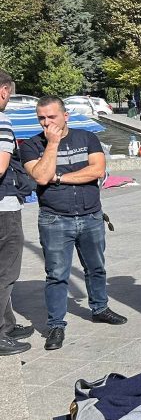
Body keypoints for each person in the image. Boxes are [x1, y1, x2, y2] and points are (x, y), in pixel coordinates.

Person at [22, 96, 128, 351]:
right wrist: (53, 144)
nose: (47, 123)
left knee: (96, 267)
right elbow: (40, 175)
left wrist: (58, 177)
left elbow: (97, 171)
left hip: (91, 215)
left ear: (65, 116)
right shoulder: (31, 146)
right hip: (55, 219)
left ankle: (100, 308)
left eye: (52, 117)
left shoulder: (87, 137)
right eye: (42, 119)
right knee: (57, 275)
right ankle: (56, 324)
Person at [0, 70, 33, 355]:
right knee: (6, 272)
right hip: (3, 209)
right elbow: (0, 166)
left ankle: (7, 325)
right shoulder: (1, 120)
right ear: (4, 91)